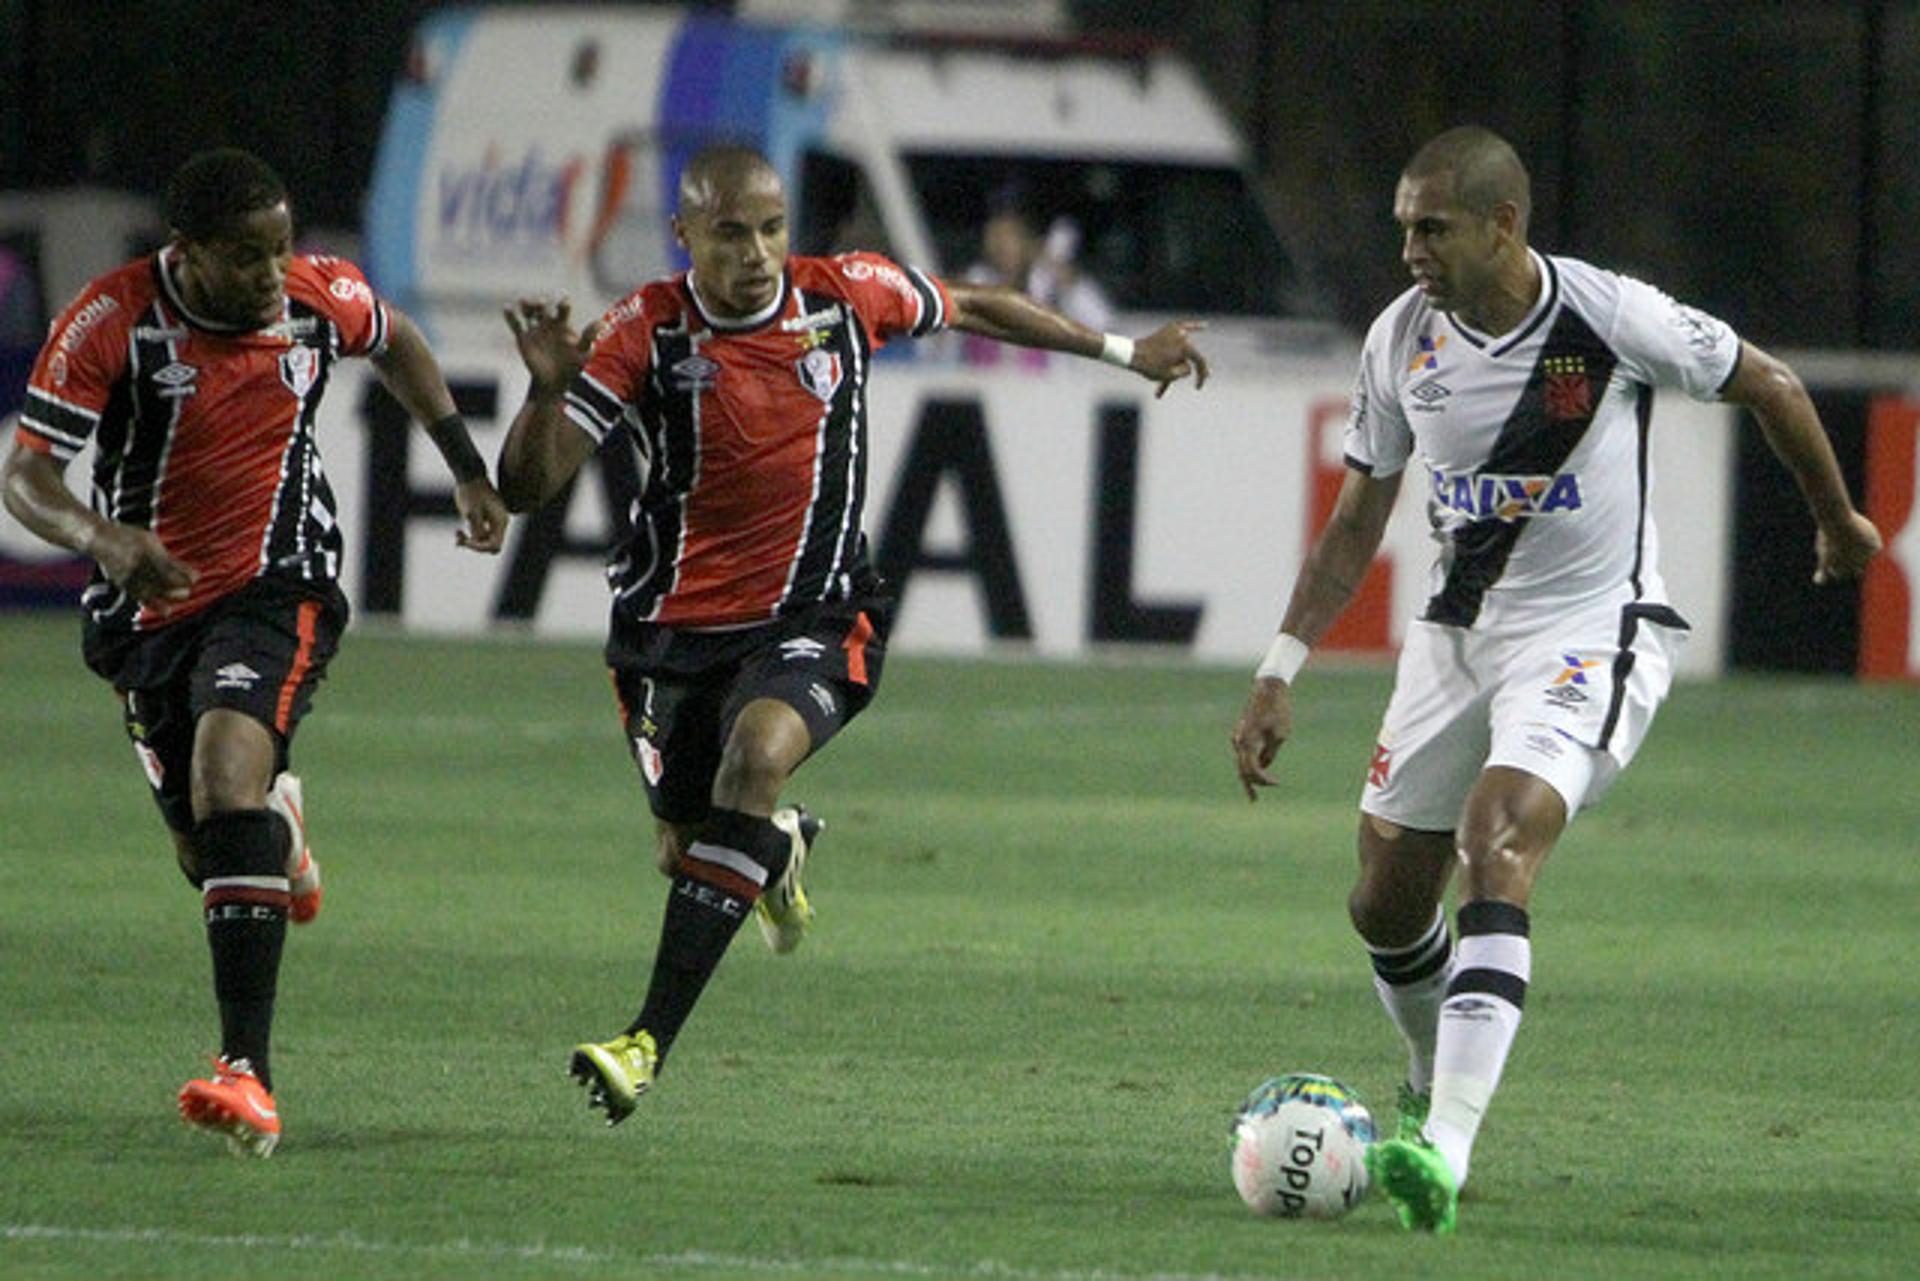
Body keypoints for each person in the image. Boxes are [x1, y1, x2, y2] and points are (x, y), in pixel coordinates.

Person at [1228, 126, 1881, 1233]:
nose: (1410, 252)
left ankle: (1441, 1149)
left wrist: (1838, 519)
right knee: (1384, 902)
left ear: (1503, 225)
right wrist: (1278, 668)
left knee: (1499, 841)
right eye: (1402, 229)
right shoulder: (1398, 344)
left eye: (1431, 229)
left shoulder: (1606, 315)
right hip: (1457, 637)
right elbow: (1356, 522)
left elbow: (1765, 382)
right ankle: (1430, 1078)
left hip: (1590, 629)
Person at [498, 142, 1208, 1126]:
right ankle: (775, 850)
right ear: (685, 235)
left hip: (816, 614)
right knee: (687, 849)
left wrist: (1128, 353)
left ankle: (644, 1041)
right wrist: (545, 391)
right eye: (732, 232)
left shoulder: (844, 296)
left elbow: (983, 304)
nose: (758, 252)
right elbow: (525, 487)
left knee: (754, 760)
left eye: (774, 228)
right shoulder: (644, 330)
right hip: (669, 635)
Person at [1, 147, 510, 1157]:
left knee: (225, 772)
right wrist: (105, 542)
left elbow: (398, 340)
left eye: (283, 249)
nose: (274, 273)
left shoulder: (319, 299)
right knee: (212, 849)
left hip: (283, 585)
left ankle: (249, 1077)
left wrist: (465, 466)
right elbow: (27, 478)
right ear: (185, 254)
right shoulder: (114, 321)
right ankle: (279, 830)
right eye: (246, 256)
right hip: (149, 608)